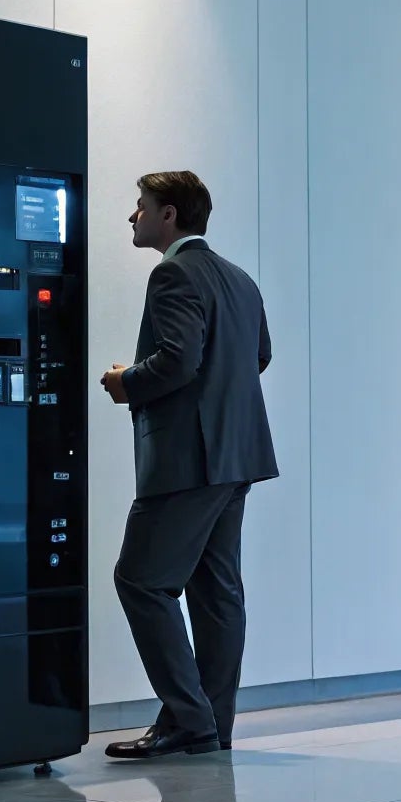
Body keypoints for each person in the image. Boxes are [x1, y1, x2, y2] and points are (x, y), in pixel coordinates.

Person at [100, 170, 278, 758]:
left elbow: (177, 360)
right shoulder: (240, 279)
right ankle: (212, 724)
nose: (133, 216)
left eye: (141, 206)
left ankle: (187, 719)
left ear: (170, 216)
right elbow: (260, 355)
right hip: (238, 456)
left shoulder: (171, 273)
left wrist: (127, 382)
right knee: (216, 590)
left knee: (141, 581)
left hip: (186, 460)